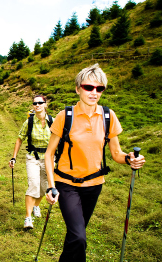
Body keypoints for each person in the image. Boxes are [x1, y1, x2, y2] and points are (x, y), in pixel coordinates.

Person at [44, 63, 146, 261]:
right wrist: (51, 186)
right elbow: (49, 154)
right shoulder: (65, 116)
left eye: (99, 88)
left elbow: (116, 153)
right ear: (77, 88)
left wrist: (130, 158)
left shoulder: (108, 116)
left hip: (94, 185)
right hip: (67, 184)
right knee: (79, 237)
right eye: (88, 87)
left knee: (76, 234)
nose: (94, 92)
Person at [9, 95, 54, 229]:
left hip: (48, 158)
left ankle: (36, 206)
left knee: (43, 187)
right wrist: (14, 157)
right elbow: (19, 139)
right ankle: (28, 218)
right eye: (35, 103)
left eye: (40, 103)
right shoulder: (28, 122)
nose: (37, 105)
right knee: (33, 184)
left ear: (45, 104)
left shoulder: (53, 121)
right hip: (33, 157)